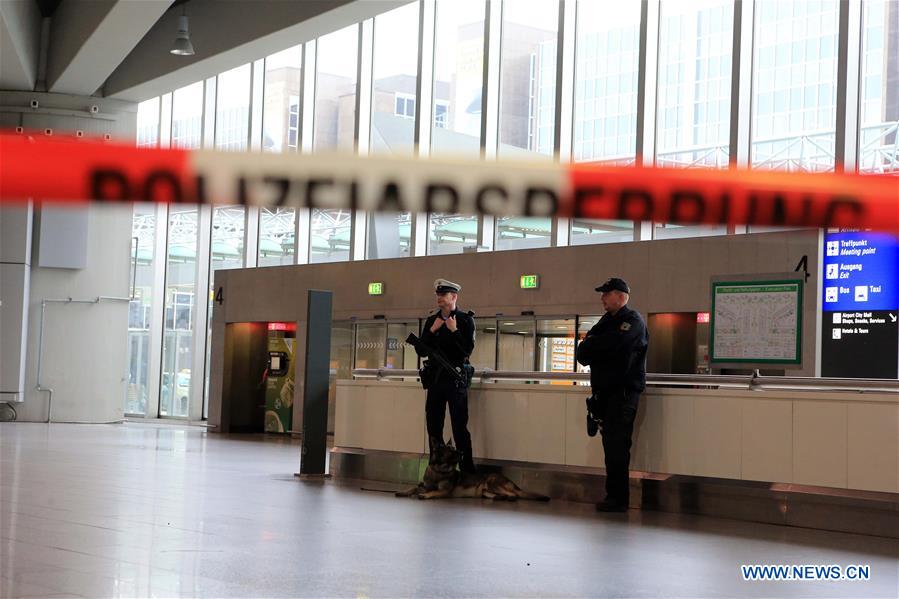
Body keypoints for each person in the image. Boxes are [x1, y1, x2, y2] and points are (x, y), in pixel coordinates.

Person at [576, 277, 649, 512]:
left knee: (618, 446)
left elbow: (619, 347)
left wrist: (598, 345)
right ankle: (613, 496)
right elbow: (583, 353)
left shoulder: (633, 321)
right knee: (610, 446)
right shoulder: (606, 321)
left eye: (606, 294)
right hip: (604, 395)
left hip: (623, 393)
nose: (602, 298)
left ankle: (618, 499)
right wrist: (601, 345)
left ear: (621, 296)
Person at [416, 278, 477, 474]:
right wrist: (432, 331)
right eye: (438, 295)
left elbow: (466, 350)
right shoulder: (432, 321)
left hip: (455, 380)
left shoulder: (466, 320)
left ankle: (467, 470)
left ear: (454, 297)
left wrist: (454, 330)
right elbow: (421, 351)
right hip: (435, 380)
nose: (439, 299)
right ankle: (436, 468)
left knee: (460, 428)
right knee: (434, 427)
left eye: (443, 295)